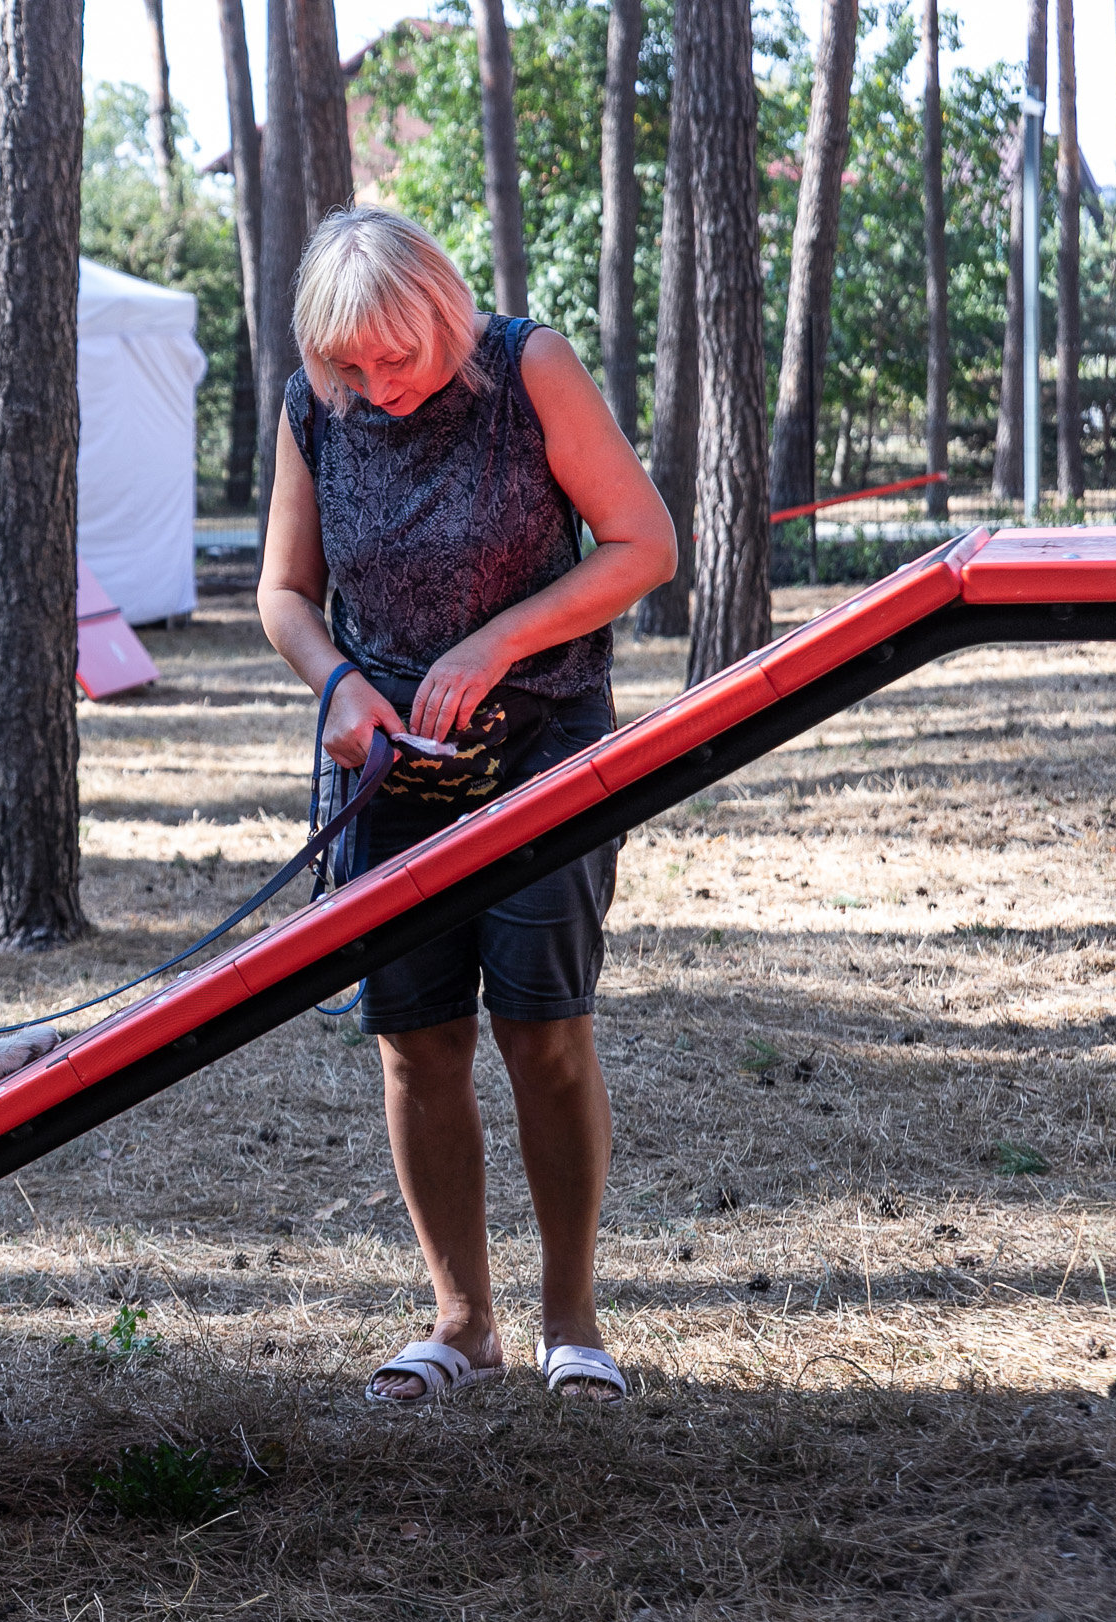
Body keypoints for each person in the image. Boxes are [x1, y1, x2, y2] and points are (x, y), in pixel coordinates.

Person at [256, 208, 676, 1406]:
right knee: (415, 1034)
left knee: (540, 1027)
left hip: (544, 744)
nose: (378, 383)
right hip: (390, 766)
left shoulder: (526, 367)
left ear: (446, 313)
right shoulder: (311, 404)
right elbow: (283, 593)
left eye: (400, 354)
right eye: (352, 364)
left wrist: (496, 640)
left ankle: (571, 1320)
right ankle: (460, 1320)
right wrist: (334, 678)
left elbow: (643, 544)